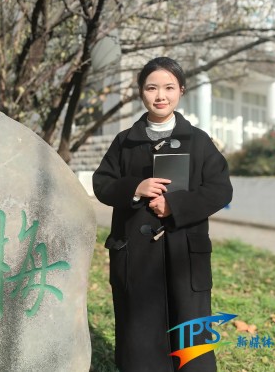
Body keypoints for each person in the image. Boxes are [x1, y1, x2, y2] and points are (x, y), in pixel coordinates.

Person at [93, 57, 233, 372]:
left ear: (181, 90)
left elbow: (220, 189)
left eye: (169, 88)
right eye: (151, 88)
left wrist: (175, 206)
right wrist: (135, 188)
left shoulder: (198, 141)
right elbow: (102, 184)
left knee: (191, 334)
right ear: (140, 92)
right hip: (135, 256)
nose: (160, 96)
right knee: (139, 335)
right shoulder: (124, 142)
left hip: (185, 254)